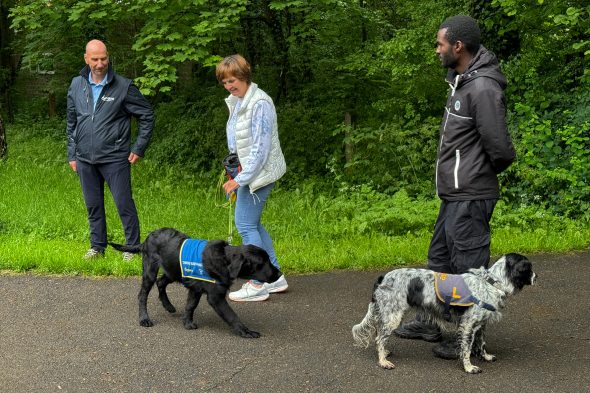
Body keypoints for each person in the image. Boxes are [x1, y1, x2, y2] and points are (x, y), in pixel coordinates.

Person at [393, 15, 516, 359]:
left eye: (440, 44)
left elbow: (501, 149)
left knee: (468, 270)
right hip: (454, 195)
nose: (437, 50)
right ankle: (431, 323)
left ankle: (469, 339)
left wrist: (475, 175)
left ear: (457, 46)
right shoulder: (462, 81)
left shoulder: (483, 87)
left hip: (471, 194)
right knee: (440, 261)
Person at [66, 39, 154, 261]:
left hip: (115, 157)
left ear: (108, 57)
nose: (99, 63)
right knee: (93, 206)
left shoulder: (124, 86)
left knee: (124, 204)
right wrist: (72, 153)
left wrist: (139, 147)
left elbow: (147, 115)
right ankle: (97, 247)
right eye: (94, 59)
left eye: (103, 58)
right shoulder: (76, 84)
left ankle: (132, 248)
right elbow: (71, 122)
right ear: (86, 59)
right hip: (84, 158)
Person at [215, 54, 288, 302]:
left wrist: (240, 179)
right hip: (249, 173)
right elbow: (240, 144)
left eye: (233, 80)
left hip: (260, 174)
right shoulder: (239, 100)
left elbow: (260, 149)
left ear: (245, 76)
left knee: (245, 224)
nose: (229, 86)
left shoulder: (260, 104)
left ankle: (257, 283)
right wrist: (236, 171)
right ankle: (274, 277)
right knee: (253, 224)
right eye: (225, 82)